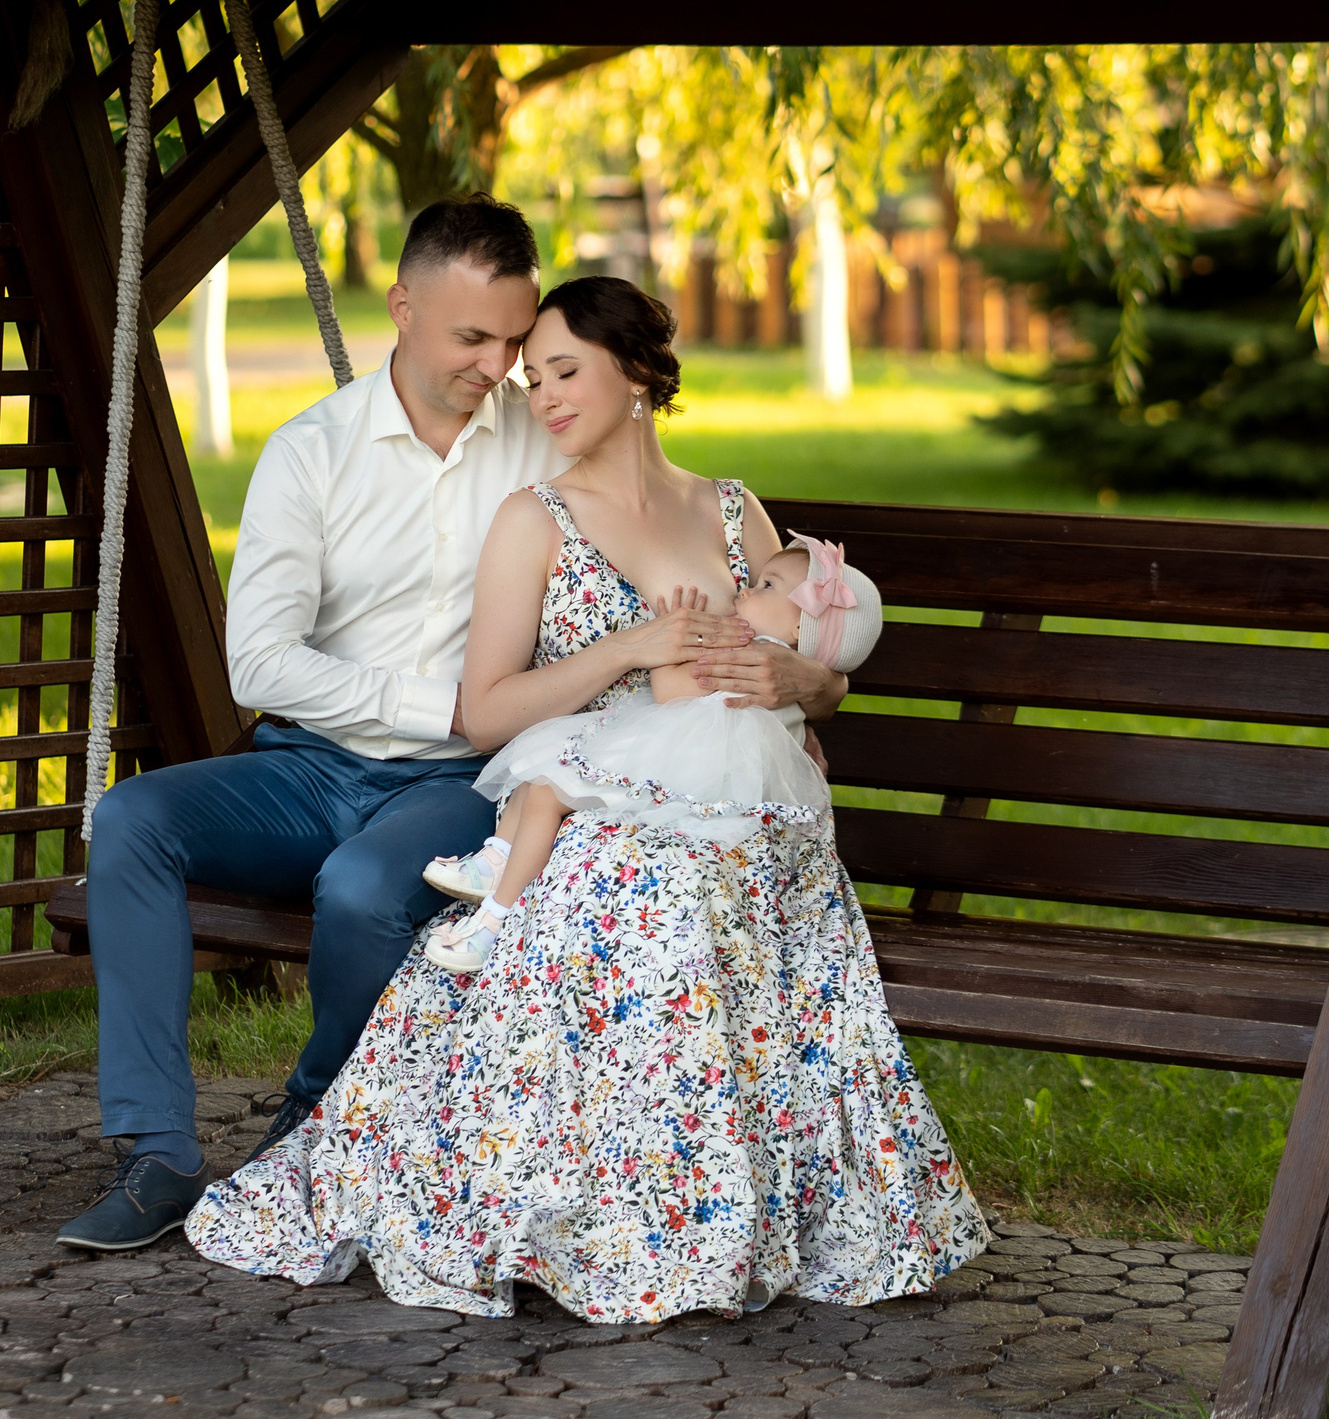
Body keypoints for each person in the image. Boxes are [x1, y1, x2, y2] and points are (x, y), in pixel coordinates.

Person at [185, 277, 988, 1321]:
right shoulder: (536, 519)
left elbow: (806, 661)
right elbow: (485, 714)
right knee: (642, 911)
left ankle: (698, 1214)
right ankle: (593, 1220)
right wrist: (628, 647)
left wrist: (809, 682)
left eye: (565, 372)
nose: (544, 397)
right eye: (534, 377)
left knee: (710, 892)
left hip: (745, 817)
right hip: (595, 810)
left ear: (640, 376)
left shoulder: (733, 510)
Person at [56, 203, 788, 1252]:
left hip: (464, 780)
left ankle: (312, 1126)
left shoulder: (543, 439)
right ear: (402, 309)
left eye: (515, 341)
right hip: (308, 767)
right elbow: (258, 660)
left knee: (358, 892)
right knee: (133, 819)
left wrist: (774, 635)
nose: (501, 367)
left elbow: (649, 506)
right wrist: (434, 703)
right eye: (472, 340)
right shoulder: (312, 451)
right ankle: (157, 1154)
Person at [420, 534, 884, 972]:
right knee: (558, 757)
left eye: (766, 586)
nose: (744, 590)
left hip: (686, 776)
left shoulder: (756, 654)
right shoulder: (785, 673)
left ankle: (496, 918)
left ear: (801, 624)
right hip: (702, 775)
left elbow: (671, 692)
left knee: (546, 787)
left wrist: (669, 642)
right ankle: (497, 858)